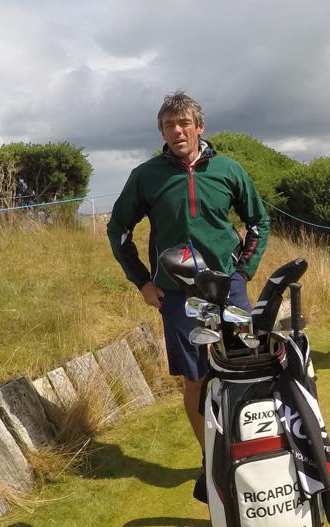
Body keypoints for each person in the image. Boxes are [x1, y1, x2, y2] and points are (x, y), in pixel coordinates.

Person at [106, 90, 269, 482]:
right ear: (162, 130)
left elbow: (258, 223)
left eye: (183, 123)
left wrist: (243, 272)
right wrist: (143, 282)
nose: (176, 131)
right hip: (177, 294)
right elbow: (119, 231)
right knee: (195, 378)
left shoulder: (228, 170)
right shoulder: (146, 176)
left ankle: (251, 449)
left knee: (243, 366)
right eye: (168, 125)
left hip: (228, 288)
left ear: (199, 127)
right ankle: (214, 460)